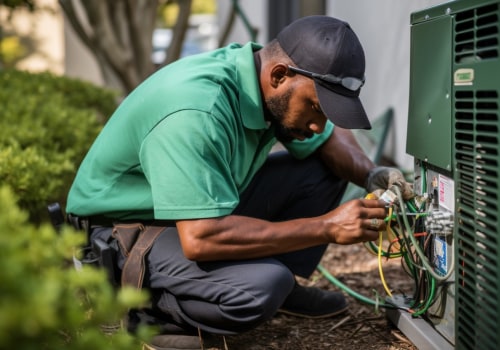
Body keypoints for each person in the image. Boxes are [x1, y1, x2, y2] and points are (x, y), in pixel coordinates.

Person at [66, 15, 412, 349]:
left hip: (188, 211)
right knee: (259, 288)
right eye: (316, 109)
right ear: (280, 76)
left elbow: (331, 141)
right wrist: (325, 227)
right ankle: (141, 311)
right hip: (123, 233)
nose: (318, 126)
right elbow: (202, 237)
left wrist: (370, 173)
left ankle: (278, 285)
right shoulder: (196, 112)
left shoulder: (260, 78)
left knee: (323, 169)